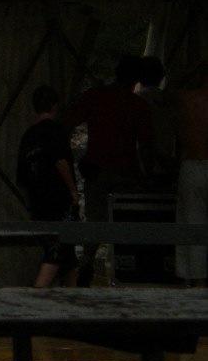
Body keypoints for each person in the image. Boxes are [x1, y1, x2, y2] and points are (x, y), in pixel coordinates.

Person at [65, 55, 155, 286]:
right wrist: (147, 175)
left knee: (95, 219)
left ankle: (88, 259)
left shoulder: (95, 96)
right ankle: (127, 266)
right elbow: (145, 145)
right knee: (128, 220)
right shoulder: (138, 105)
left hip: (96, 168)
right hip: (127, 171)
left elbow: (69, 122)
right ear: (135, 78)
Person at [16, 85, 80, 287]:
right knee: (56, 252)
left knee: (66, 256)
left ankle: (72, 300)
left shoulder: (29, 135)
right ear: (55, 106)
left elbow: (22, 178)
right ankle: (37, 296)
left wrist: (30, 206)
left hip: (38, 202)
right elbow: (61, 163)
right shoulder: (57, 131)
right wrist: (73, 193)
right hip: (59, 201)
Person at [174, 63, 208, 287]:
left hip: (193, 165)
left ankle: (198, 284)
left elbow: (169, 90)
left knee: (193, 227)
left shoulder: (186, 100)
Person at [136, 55, 177, 189]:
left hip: (142, 168)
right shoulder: (169, 101)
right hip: (167, 166)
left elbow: (143, 141)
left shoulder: (137, 100)